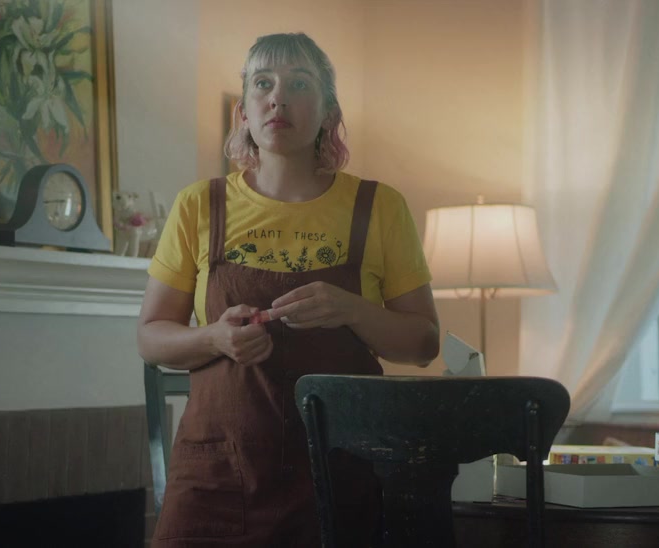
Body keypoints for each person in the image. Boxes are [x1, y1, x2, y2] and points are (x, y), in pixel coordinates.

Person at [137, 33, 440, 547]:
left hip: (343, 476)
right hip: (216, 477)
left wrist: (352, 309)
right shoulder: (198, 205)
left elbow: (423, 344)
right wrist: (214, 338)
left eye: (299, 84)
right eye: (263, 84)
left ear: (328, 113)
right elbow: (150, 338)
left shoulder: (379, 207)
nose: (278, 98)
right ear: (244, 113)